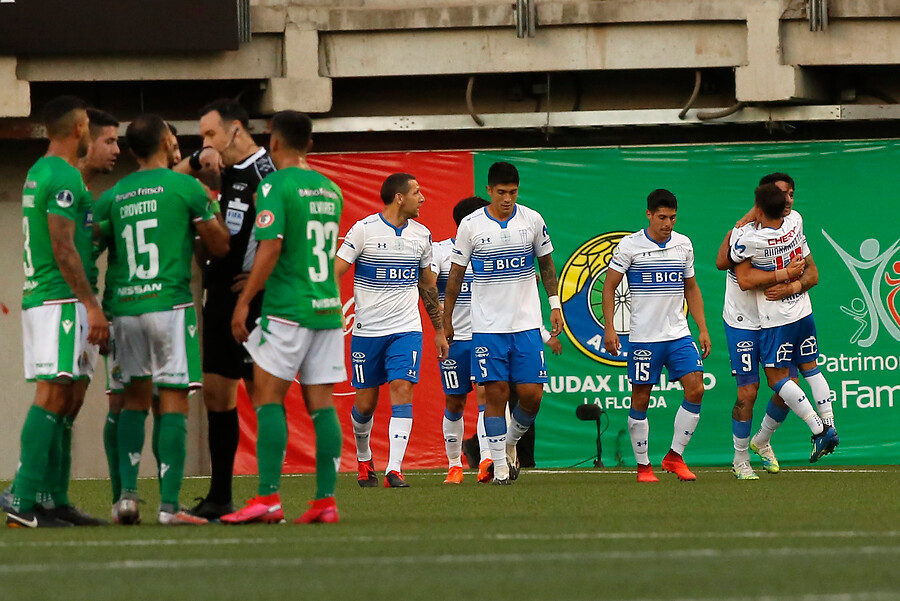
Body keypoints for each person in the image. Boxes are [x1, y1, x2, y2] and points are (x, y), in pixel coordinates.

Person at [95, 114, 230, 525]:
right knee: (172, 402)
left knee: (130, 402)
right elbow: (220, 245)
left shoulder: (114, 194)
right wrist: (207, 213)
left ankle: (127, 499)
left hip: (124, 308)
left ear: (131, 150)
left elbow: (91, 246)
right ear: (164, 141)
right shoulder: (186, 187)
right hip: (169, 306)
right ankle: (169, 507)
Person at [220, 111, 346, 524]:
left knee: (267, 397)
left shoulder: (274, 184)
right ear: (309, 144)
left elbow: (270, 248)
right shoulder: (330, 190)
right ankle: (325, 501)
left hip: (288, 308)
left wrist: (243, 302)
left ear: (273, 143)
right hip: (326, 307)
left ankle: (268, 499)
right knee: (322, 405)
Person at [6, 96, 110, 528]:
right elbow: (63, 245)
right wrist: (91, 304)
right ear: (80, 127)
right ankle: (23, 499)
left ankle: (53, 500)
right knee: (53, 393)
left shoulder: (42, 171)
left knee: (67, 396)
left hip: (52, 298)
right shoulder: (63, 176)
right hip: (59, 300)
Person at [175, 99, 276, 520]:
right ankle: (220, 496)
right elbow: (165, 180)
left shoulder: (266, 174)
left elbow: (283, 236)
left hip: (252, 305)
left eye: (210, 135)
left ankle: (269, 496)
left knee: (263, 397)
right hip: (216, 299)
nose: (206, 143)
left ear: (236, 130)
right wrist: (197, 158)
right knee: (218, 396)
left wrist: (260, 284)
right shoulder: (222, 174)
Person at [442, 162, 562, 485]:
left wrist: (554, 305)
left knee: (531, 395)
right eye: (501, 193)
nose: (508, 199)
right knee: (495, 394)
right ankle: (499, 468)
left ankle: (509, 444)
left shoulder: (532, 220)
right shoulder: (470, 226)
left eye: (513, 192)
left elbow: (547, 265)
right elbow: (455, 275)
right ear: (489, 190)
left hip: (525, 324)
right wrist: (447, 319)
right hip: (488, 327)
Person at [336, 173, 449, 488]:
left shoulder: (421, 235)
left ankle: (394, 469)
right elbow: (336, 271)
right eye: (416, 192)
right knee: (365, 404)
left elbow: (427, 286)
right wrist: (330, 309)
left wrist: (438, 330)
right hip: (367, 331)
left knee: (402, 387)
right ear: (399, 197)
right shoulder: (363, 231)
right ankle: (363, 458)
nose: (422, 198)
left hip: (406, 329)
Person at [714, 172, 825, 479]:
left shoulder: (793, 226)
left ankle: (762, 441)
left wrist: (792, 285)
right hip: (743, 320)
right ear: (762, 202)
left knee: (790, 386)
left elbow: (813, 275)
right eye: (781, 194)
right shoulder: (746, 232)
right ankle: (740, 460)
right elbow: (728, 267)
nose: (787, 200)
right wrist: (782, 274)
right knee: (748, 391)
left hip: (777, 319)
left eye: (791, 194)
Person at [602, 189, 711, 483]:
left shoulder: (683, 244)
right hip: (644, 338)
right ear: (649, 215)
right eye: (662, 217)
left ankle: (675, 456)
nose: (667, 223)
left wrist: (701, 327)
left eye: (672, 217)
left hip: (678, 333)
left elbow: (691, 287)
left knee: (696, 389)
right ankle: (643, 467)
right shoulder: (629, 246)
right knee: (641, 399)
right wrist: (610, 328)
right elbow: (610, 286)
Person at [433, 196, 491, 484]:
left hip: (485, 335)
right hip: (455, 339)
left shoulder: (491, 250)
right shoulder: (441, 251)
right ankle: (455, 464)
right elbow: (427, 283)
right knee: (455, 402)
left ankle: (487, 461)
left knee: (487, 396)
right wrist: (439, 318)